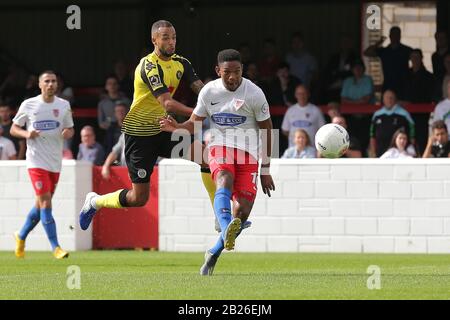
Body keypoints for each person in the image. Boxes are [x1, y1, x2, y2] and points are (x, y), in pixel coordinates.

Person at [78, 20, 216, 231]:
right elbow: (167, 103)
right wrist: (200, 113)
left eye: (174, 37)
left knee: (207, 159)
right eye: (166, 38)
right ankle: (95, 202)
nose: (172, 42)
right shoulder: (148, 66)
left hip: (164, 128)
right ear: (154, 40)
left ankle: (220, 216)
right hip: (139, 135)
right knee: (138, 198)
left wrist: (221, 100)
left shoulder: (182, 63)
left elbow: (203, 92)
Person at [159, 49, 275, 276]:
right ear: (217, 70)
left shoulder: (254, 93)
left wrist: (266, 168)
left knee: (242, 212)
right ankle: (225, 227)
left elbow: (268, 131)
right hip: (220, 146)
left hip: (249, 154)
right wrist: (178, 128)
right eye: (227, 72)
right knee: (224, 179)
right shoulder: (209, 91)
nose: (232, 77)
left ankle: (213, 252)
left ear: (243, 70)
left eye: (237, 72)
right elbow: (195, 123)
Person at [10, 70, 74, 259]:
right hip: (35, 161)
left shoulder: (63, 105)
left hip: (55, 162)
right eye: (47, 81)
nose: (51, 84)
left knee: (40, 204)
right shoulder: (29, 105)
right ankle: (56, 247)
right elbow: (14, 128)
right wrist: (26, 134)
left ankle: (20, 235)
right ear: (40, 84)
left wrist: (68, 133)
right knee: (46, 202)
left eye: (54, 81)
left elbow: (70, 128)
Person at [363, 26, 412, 98]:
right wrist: (378, 43)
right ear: (390, 36)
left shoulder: (406, 50)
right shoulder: (384, 51)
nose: (395, 37)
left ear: (400, 36)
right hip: (388, 85)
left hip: (403, 86)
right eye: (393, 34)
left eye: (397, 34)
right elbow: (366, 52)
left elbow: (417, 59)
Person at [369, 90, 415, 157]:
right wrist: (373, 152)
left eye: (391, 98)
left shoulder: (404, 114)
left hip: (399, 154)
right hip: (380, 151)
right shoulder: (377, 115)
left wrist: (411, 149)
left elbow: (412, 134)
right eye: (387, 98)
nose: (389, 100)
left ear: (395, 99)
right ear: (383, 100)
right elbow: (372, 135)